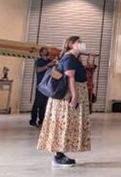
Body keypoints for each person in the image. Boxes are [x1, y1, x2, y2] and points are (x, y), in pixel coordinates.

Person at [37, 36, 91, 167]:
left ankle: (60, 154)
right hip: (67, 98)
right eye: (79, 42)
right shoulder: (69, 58)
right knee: (63, 124)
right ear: (71, 44)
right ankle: (58, 156)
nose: (82, 44)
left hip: (70, 96)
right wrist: (75, 96)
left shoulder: (73, 58)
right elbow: (70, 77)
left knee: (66, 125)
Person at [29, 47, 53, 128]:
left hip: (47, 86)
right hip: (40, 85)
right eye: (45, 50)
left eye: (47, 49)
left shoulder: (50, 61)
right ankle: (33, 121)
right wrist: (47, 66)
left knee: (44, 104)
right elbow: (38, 70)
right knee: (37, 103)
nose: (47, 51)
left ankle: (41, 121)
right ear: (41, 53)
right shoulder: (39, 61)